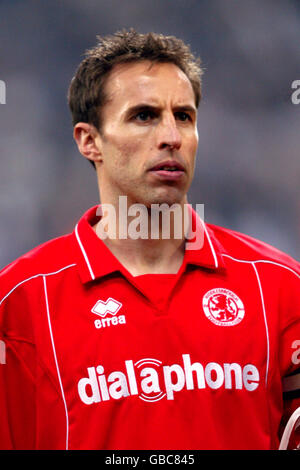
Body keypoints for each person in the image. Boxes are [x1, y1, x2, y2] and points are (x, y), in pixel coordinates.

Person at [0, 29, 299, 451]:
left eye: (184, 116)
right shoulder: (19, 304)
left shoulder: (281, 288)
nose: (171, 137)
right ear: (90, 141)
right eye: (144, 116)